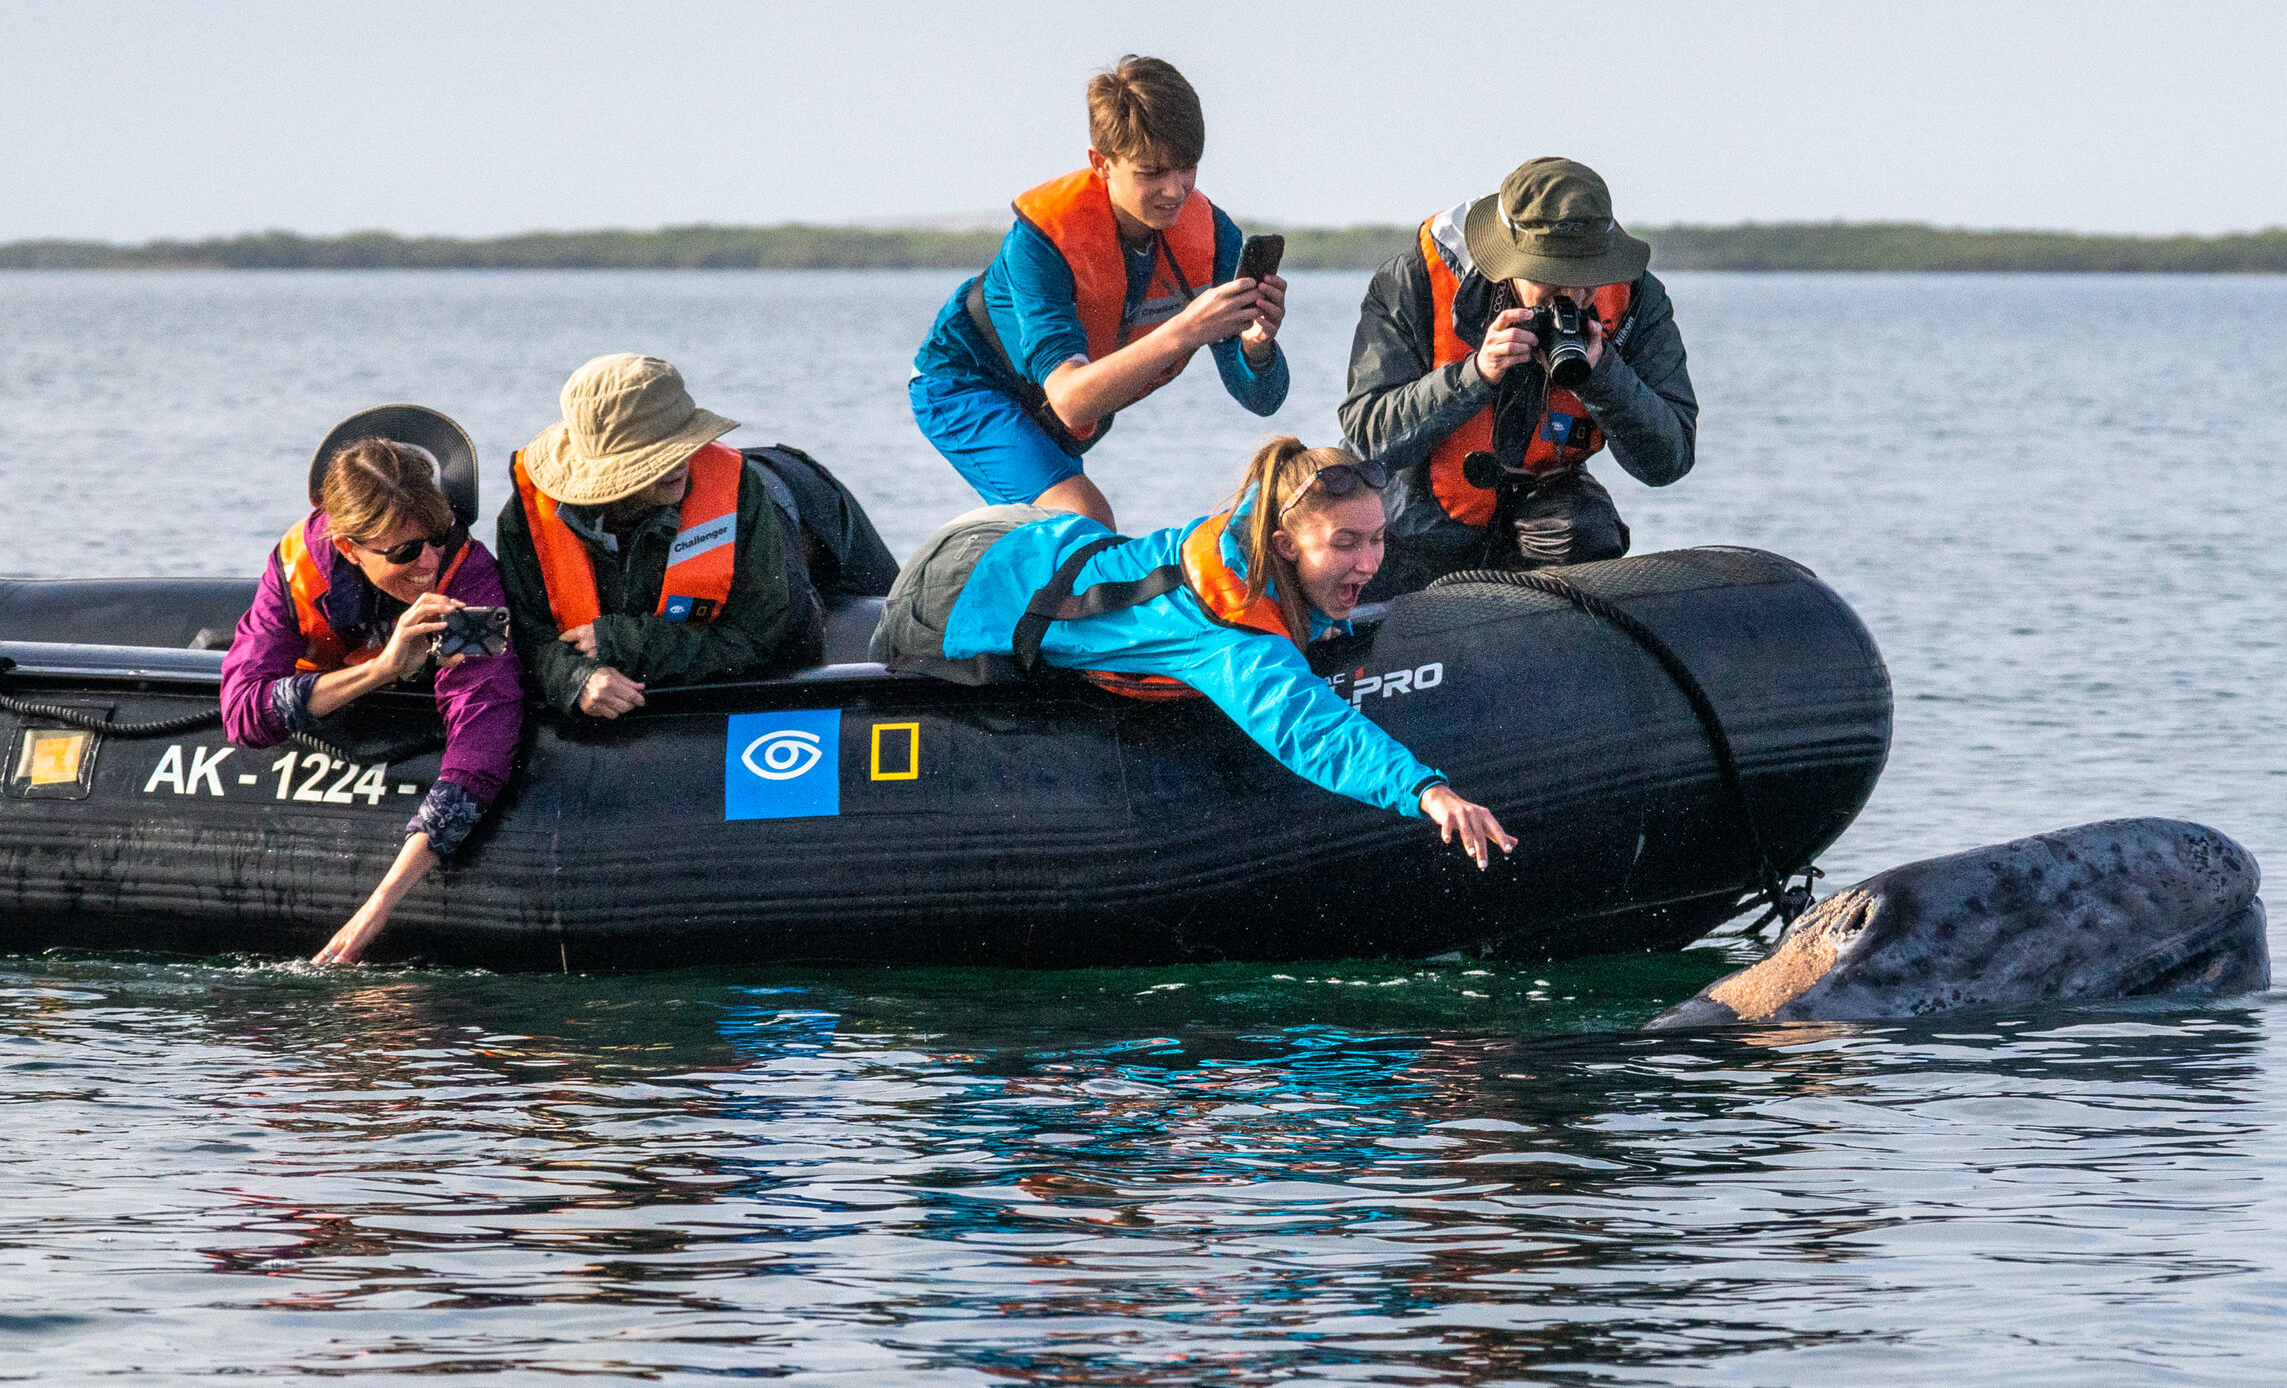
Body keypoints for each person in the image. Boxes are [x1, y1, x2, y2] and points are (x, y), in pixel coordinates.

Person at [869, 436, 1517, 867]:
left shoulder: (1252, 537)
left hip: (1031, 537)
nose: (1370, 562)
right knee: (879, 639)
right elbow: (1311, 731)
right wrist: (1427, 791)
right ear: (1287, 545)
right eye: (1347, 543)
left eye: (1377, 539)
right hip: (960, 582)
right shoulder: (1228, 629)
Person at [906, 55, 1290, 529]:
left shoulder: (1211, 233)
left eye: (1187, 167)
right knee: (1085, 518)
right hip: (965, 385)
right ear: (1101, 163)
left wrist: (1257, 349)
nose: (1176, 190)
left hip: (1062, 413)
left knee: (1073, 528)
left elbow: (1263, 400)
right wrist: (1187, 330)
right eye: (1151, 172)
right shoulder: (1041, 241)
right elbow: (1071, 398)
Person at [219, 433, 524, 966]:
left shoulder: (466, 576)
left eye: (436, 535)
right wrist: (381, 671)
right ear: (347, 548)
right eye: (405, 551)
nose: (428, 561)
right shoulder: (296, 566)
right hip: (340, 696)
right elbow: (245, 715)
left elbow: (484, 740)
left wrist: (382, 901)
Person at [1338, 157, 1699, 599]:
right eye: (1556, 277)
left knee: (1585, 526)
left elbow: (1669, 461)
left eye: (1588, 277)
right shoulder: (1413, 281)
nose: (1576, 294)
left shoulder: (1638, 301)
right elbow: (1365, 437)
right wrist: (1475, 375)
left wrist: (1604, 376)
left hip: (1543, 521)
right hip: (1412, 527)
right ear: (1507, 261)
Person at [499, 354, 823, 719]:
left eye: (684, 443)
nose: (680, 463)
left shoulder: (740, 491)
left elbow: (762, 638)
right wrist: (575, 679)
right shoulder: (527, 515)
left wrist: (622, 642)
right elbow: (522, 635)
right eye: (657, 454)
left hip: (718, 709)